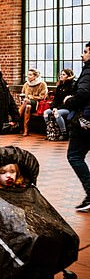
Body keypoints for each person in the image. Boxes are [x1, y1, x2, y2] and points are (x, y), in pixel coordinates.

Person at [63, 42, 90, 212]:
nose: (83, 55)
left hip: (85, 123)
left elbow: (84, 93)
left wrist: (70, 101)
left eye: (86, 51)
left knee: (74, 156)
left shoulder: (88, 71)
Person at [43, 68, 75, 140]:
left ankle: (64, 133)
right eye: (61, 74)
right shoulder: (60, 86)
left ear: (69, 76)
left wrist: (57, 108)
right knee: (46, 113)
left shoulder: (72, 86)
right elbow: (56, 99)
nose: (61, 76)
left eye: (63, 74)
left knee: (57, 113)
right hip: (59, 107)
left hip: (68, 108)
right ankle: (50, 131)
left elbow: (69, 102)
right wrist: (54, 107)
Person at [18, 68, 48, 136]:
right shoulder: (26, 84)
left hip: (37, 104)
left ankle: (17, 116)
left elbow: (43, 97)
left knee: (26, 101)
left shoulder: (42, 84)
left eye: (30, 75)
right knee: (28, 106)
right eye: (28, 75)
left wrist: (32, 97)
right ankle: (26, 129)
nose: (28, 76)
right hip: (27, 104)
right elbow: (22, 93)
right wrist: (21, 98)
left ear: (35, 76)